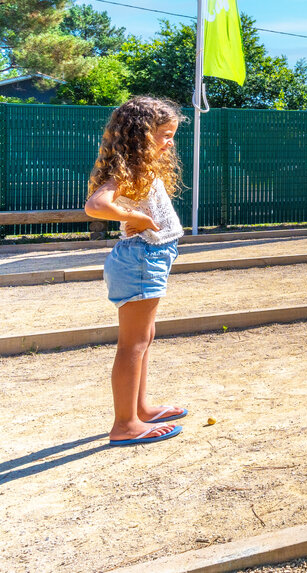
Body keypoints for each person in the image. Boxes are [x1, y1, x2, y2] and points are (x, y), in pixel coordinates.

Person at [84, 96, 187, 446]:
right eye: (164, 134)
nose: (169, 142)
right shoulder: (129, 170)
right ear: (141, 134)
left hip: (149, 257)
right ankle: (125, 424)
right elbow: (96, 206)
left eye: (172, 134)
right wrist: (136, 218)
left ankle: (140, 409)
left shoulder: (140, 168)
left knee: (143, 340)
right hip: (142, 258)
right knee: (133, 344)